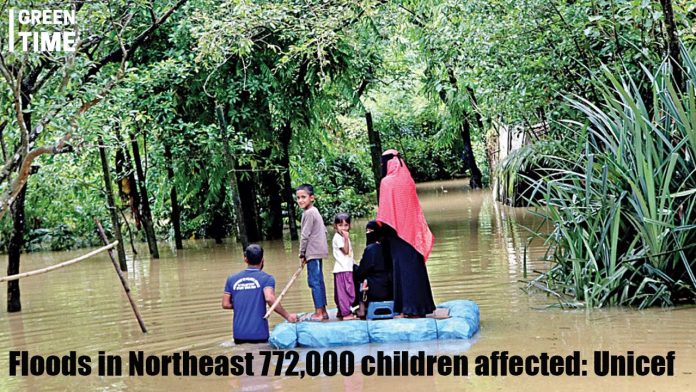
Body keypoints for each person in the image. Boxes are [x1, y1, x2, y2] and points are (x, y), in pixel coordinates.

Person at [377, 149, 436, 317]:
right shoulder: (408, 180)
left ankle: (407, 309)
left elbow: (386, 213)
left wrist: (380, 232)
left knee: (402, 271)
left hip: (397, 234)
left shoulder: (387, 182)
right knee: (415, 269)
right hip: (413, 233)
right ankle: (421, 307)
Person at [222, 244, 298, 344]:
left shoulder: (232, 279)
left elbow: (225, 304)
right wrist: (288, 316)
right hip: (259, 335)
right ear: (262, 259)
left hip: (238, 336)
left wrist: (242, 302)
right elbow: (269, 298)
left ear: (245, 259)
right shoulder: (266, 279)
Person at [296, 183, 329, 321]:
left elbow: (305, 235)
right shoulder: (314, 211)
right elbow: (324, 231)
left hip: (313, 252)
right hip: (318, 251)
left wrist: (302, 253)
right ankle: (324, 311)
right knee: (319, 281)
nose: (300, 200)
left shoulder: (309, 213)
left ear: (312, 198)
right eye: (298, 198)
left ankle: (319, 313)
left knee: (314, 282)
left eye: (303, 197)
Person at [332, 213, 357, 320]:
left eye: (346, 225)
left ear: (350, 226)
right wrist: (346, 239)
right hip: (342, 269)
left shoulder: (342, 237)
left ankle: (340, 311)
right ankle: (346, 313)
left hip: (346, 268)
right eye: (340, 225)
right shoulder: (339, 238)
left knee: (342, 291)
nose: (343, 228)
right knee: (346, 292)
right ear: (335, 226)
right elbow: (346, 251)